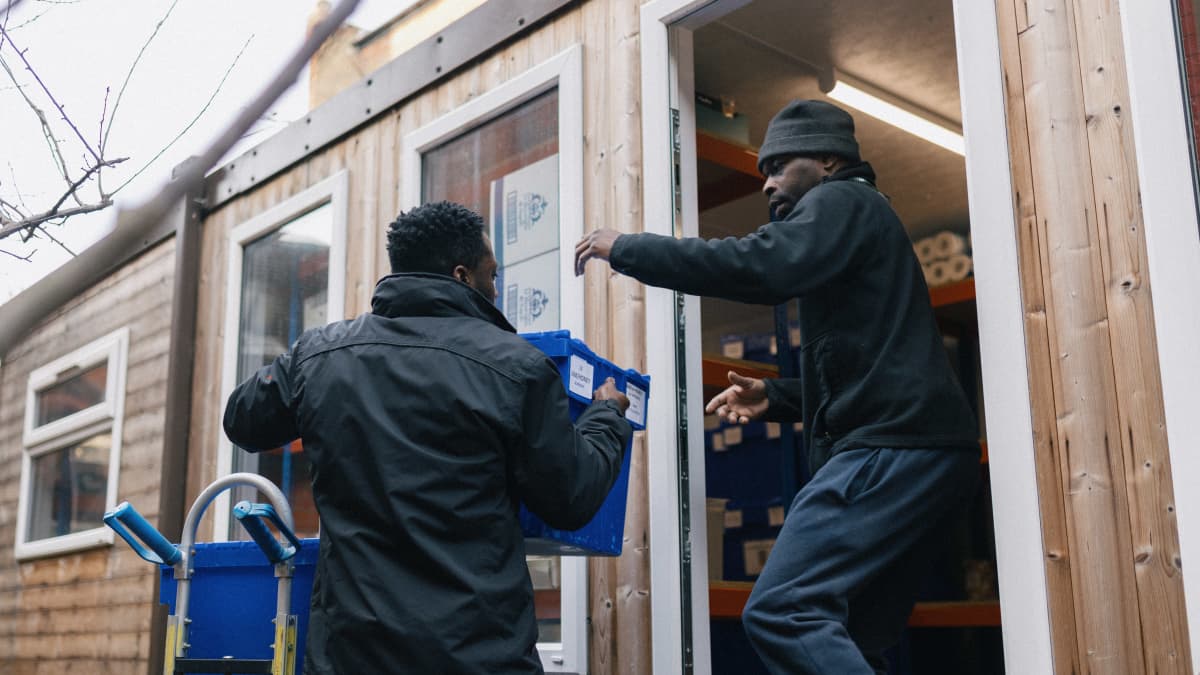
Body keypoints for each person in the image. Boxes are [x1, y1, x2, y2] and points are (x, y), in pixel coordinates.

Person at [575, 100, 980, 674]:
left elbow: (761, 266)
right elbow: (866, 360)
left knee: (784, 611)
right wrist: (781, 397)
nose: (766, 184)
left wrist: (629, 249)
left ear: (828, 160)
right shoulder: (858, 222)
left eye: (779, 166)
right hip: (926, 452)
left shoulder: (843, 201)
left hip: (893, 447)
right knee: (850, 638)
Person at [224, 201, 633, 675]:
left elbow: (243, 420)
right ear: (462, 276)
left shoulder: (321, 354)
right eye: (492, 276)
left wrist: (306, 369)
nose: (497, 291)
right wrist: (607, 415)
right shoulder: (516, 367)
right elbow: (573, 496)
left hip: (352, 658)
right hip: (480, 657)